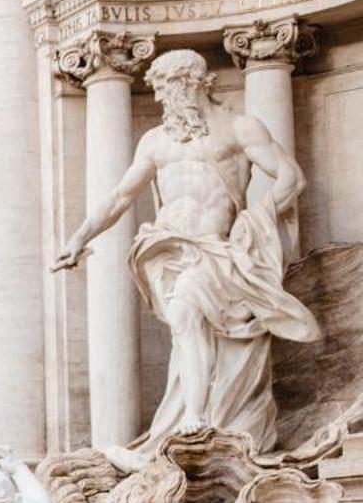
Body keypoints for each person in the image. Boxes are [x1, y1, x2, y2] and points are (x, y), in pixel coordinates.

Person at [53, 48, 320, 467]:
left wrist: (257, 223)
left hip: (217, 248)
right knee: (184, 320)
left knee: (188, 318)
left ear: (197, 83)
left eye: (170, 87)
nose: (163, 98)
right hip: (170, 248)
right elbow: (121, 196)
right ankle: (193, 416)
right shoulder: (156, 141)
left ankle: (198, 418)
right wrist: (79, 237)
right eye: (158, 89)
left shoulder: (239, 127)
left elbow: (291, 177)